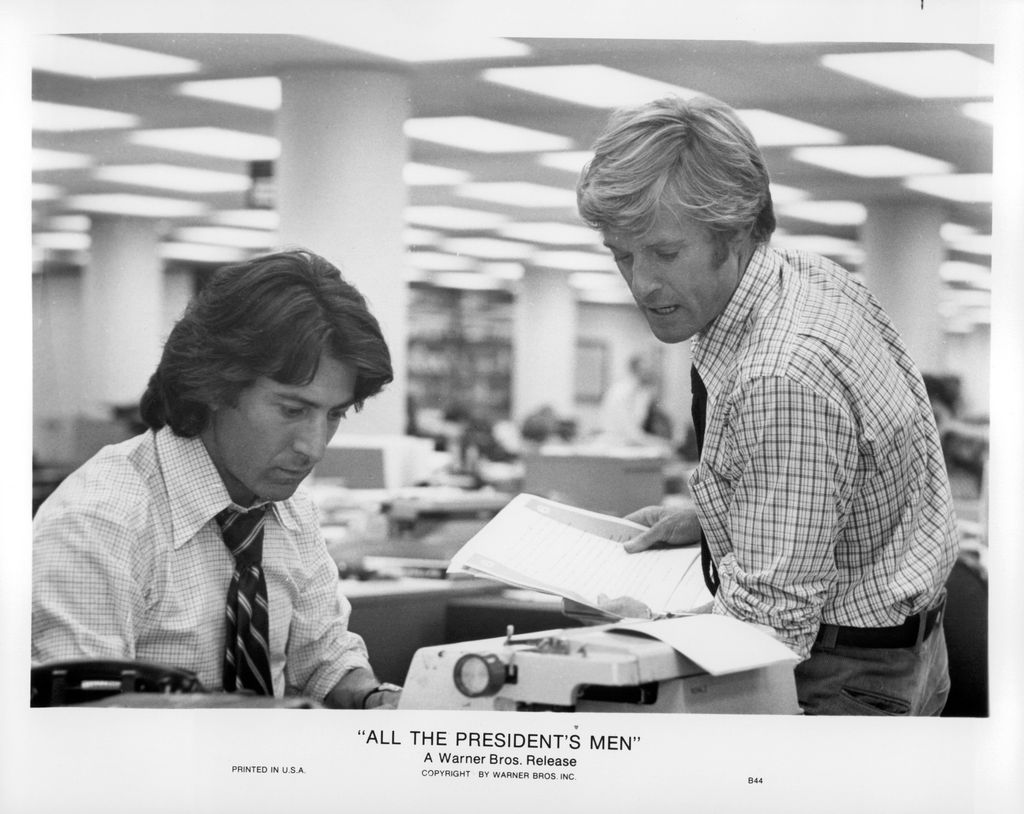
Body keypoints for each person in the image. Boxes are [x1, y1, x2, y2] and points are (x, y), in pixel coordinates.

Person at [576, 95, 959, 716]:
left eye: (665, 253)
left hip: (840, 676)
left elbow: (767, 631)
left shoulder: (778, 373)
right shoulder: (805, 277)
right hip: (901, 650)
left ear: (733, 230)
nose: (641, 282)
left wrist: (643, 628)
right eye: (623, 254)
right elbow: (848, 475)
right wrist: (718, 513)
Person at [32, 249, 401, 709]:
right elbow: (84, 717)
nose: (315, 446)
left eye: (335, 414)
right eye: (292, 410)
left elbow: (323, 657)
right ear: (214, 386)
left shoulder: (290, 510)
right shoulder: (99, 519)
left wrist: (373, 699)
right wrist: (259, 719)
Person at [597, 351, 672, 447]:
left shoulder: (643, 393)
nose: (651, 372)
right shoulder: (621, 391)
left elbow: (639, 424)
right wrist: (655, 442)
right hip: (617, 443)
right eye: (646, 369)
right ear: (636, 370)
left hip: (630, 442)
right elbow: (629, 430)